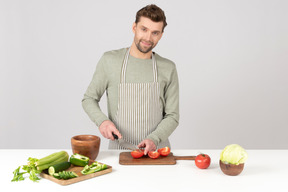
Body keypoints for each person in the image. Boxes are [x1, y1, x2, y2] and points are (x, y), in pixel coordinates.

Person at [82, 4, 179, 155]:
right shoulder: (110, 61)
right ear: (134, 27)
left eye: (155, 32)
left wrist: (154, 139)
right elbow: (89, 99)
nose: (148, 38)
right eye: (144, 29)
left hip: (156, 153)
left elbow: (172, 116)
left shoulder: (168, 68)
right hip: (118, 152)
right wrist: (103, 121)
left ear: (161, 35)